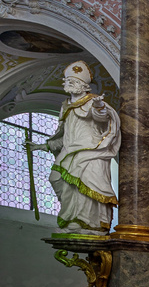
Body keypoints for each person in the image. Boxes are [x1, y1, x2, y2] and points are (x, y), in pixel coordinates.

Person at [35, 62, 121, 233]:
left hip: (91, 151)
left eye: (73, 82)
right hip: (69, 151)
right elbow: (65, 135)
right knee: (56, 178)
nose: (68, 84)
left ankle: (88, 223)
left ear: (84, 86)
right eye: (67, 81)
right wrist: (43, 145)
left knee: (85, 187)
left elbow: (101, 118)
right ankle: (70, 219)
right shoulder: (65, 105)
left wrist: (99, 106)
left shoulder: (92, 102)